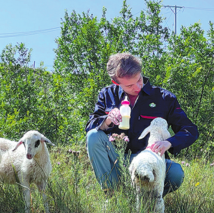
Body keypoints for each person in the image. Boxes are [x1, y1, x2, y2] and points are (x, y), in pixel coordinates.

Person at [85, 52, 199, 196]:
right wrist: (107, 120)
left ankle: (148, 198)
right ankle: (112, 195)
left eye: (139, 79)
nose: (138, 87)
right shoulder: (107, 94)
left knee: (176, 173)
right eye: (130, 85)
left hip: (149, 161)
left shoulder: (164, 98)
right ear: (116, 82)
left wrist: (169, 143)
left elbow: (190, 130)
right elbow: (90, 125)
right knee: (93, 136)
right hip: (117, 160)